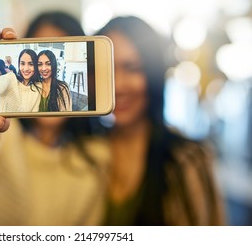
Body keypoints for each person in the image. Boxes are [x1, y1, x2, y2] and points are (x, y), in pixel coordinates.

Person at [0, 12, 109, 225]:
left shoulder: (93, 160)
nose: (43, 68)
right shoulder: (3, 136)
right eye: (37, 63)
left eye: (49, 62)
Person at [96, 16, 226, 225]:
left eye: (132, 68)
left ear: (153, 73)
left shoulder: (188, 160)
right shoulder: (82, 152)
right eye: (105, 69)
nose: (117, 86)